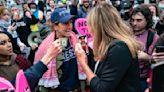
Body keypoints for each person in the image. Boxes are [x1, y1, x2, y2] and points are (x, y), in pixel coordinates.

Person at [75, 2, 141, 92]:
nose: (88, 29)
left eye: (89, 24)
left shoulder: (119, 48)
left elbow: (102, 88)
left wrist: (82, 62)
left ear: (97, 26)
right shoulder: (108, 45)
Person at [34, 8, 84, 92]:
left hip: (77, 87)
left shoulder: (75, 38)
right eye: (65, 23)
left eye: (71, 22)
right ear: (55, 26)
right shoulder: (46, 47)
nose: (69, 26)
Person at [129, 4, 159, 92]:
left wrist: (146, 57)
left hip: (142, 80)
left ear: (147, 20)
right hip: (125, 78)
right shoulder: (125, 33)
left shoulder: (153, 37)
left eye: (139, 20)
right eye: (133, 20)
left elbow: (157, 61)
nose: (134, 23)